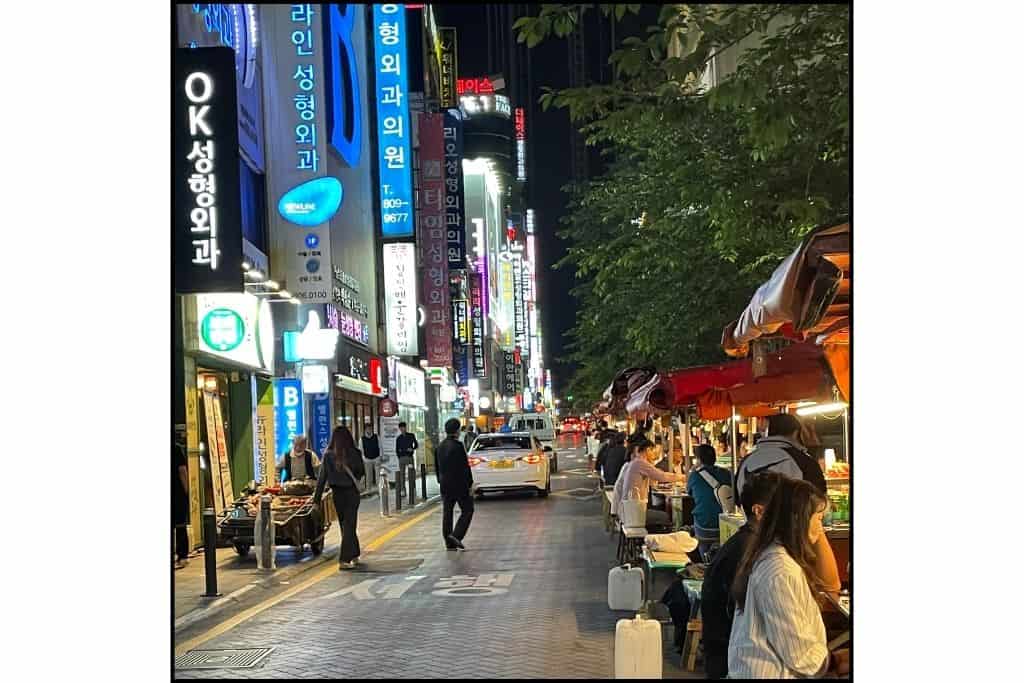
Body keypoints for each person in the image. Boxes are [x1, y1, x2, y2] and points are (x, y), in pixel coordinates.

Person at [728, 477, 849, 678]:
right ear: (798, 519)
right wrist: (835, 661)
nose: (821, 528)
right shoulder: (780, 570)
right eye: (818, 519)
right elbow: (797, 651)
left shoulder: (776, 556)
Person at [700, 472, 784, 679]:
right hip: (732, 659)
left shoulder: (749, 542)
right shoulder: (750, 550)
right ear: (759, 511)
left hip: (727, 652)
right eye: (784, 507)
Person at [314, 426, 366, 569]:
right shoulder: (355, 453)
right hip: (351, 493)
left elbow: (322, 478)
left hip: (337, 495)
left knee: (345, 525)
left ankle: (354, 554)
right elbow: (361, 472)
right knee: (350, 524)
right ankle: (344, 559)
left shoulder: (328, 455)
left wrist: (316, 500)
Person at [736, 414, 827, 496]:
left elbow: (737, 497)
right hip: (796, 514)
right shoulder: (804, 462)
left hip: (750, 514)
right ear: (796, 432)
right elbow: (820, 499)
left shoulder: (746, 461)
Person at [612, 438, 686, 530]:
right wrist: (682, 477)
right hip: (634, 513)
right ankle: (657, 541)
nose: (655, 454)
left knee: (660, 511)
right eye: (653, 451)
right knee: (666, 516)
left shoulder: (635, 463)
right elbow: (662, 476)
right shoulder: (640, 463)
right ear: (647, 450)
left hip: (629, 510)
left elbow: (653, 480)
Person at [687, 444, 734, 557]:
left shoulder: (695, 475)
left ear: (698, 459)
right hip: (726, 525)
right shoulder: (727, 473)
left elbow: (689, 493)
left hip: (705, 527)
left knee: (702, 539)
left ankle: (704, 559)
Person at [436, 418, 474, 550]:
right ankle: (456, 535)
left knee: (447, 512)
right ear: (457, 431)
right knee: (468, 509)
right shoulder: (458, 446)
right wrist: (470, 484)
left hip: (445, 484)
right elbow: (464, 467)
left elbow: (437, 467)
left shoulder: (440, 446)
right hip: (459, 484)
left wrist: (440, 481)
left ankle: (449, 543)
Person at [172, 433, 190, 570]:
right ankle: (182, 556)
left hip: (176, 493)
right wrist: (187, 490)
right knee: (180, 525)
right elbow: (182, 471)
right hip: (177, 493)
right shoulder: (176, 449)